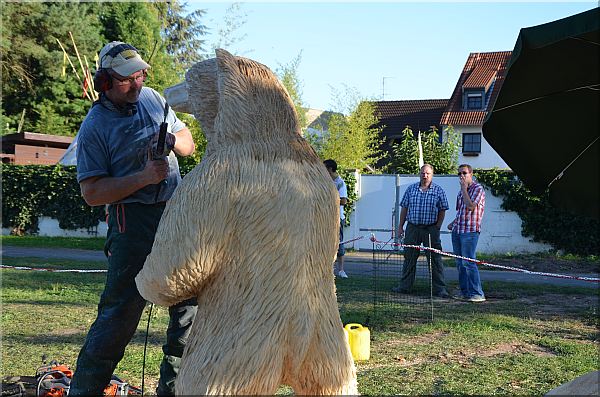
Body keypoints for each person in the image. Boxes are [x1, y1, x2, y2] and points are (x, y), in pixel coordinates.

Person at [70, 41, 198, 396]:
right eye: (128, 79)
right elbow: (92, 193)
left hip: (176, 214)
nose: (137, 84)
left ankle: (173, 389)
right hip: (132, 222)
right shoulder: (95, 127)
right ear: (105, 82)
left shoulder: (155, 99)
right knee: (119, 316)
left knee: (189, 308)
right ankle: (84, 390)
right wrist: (142, 177)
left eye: (140, 75)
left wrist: (171, 139)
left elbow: (189, 143)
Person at [392, 164, 450, 298]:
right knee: (409, 258)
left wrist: (438, 226)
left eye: (428, 173)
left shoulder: (438, 190)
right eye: (423, 173)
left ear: (432, 175)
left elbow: (443, 209)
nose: (425, 175)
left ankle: (439, 289)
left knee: (435, 259)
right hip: (413, 228)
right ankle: (405, 287)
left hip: (431, 228)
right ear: (419, 174)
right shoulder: (411, 189)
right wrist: (400, 227)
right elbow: (404, 208)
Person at [447, 164, 486, 302]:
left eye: (464, 173)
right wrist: (453, 223)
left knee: (469, 262)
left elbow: (470, 206)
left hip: (470, 232)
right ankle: (465, 292)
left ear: (471, 174)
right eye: (459, 174)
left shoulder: (478, 189)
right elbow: (461, 212)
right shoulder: (460, 193)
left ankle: (477, 293)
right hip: (458, 231)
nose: (461, 176)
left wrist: (464, 189)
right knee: (459, 264)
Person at [323, 159, 348, 278]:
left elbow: (343, 200)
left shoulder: (340, 183)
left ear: (330, 169)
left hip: (337, 218)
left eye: (325, 168)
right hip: (325, 217)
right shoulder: (324, 181)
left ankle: (341, 270)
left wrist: (330, 198)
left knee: (339, 243)